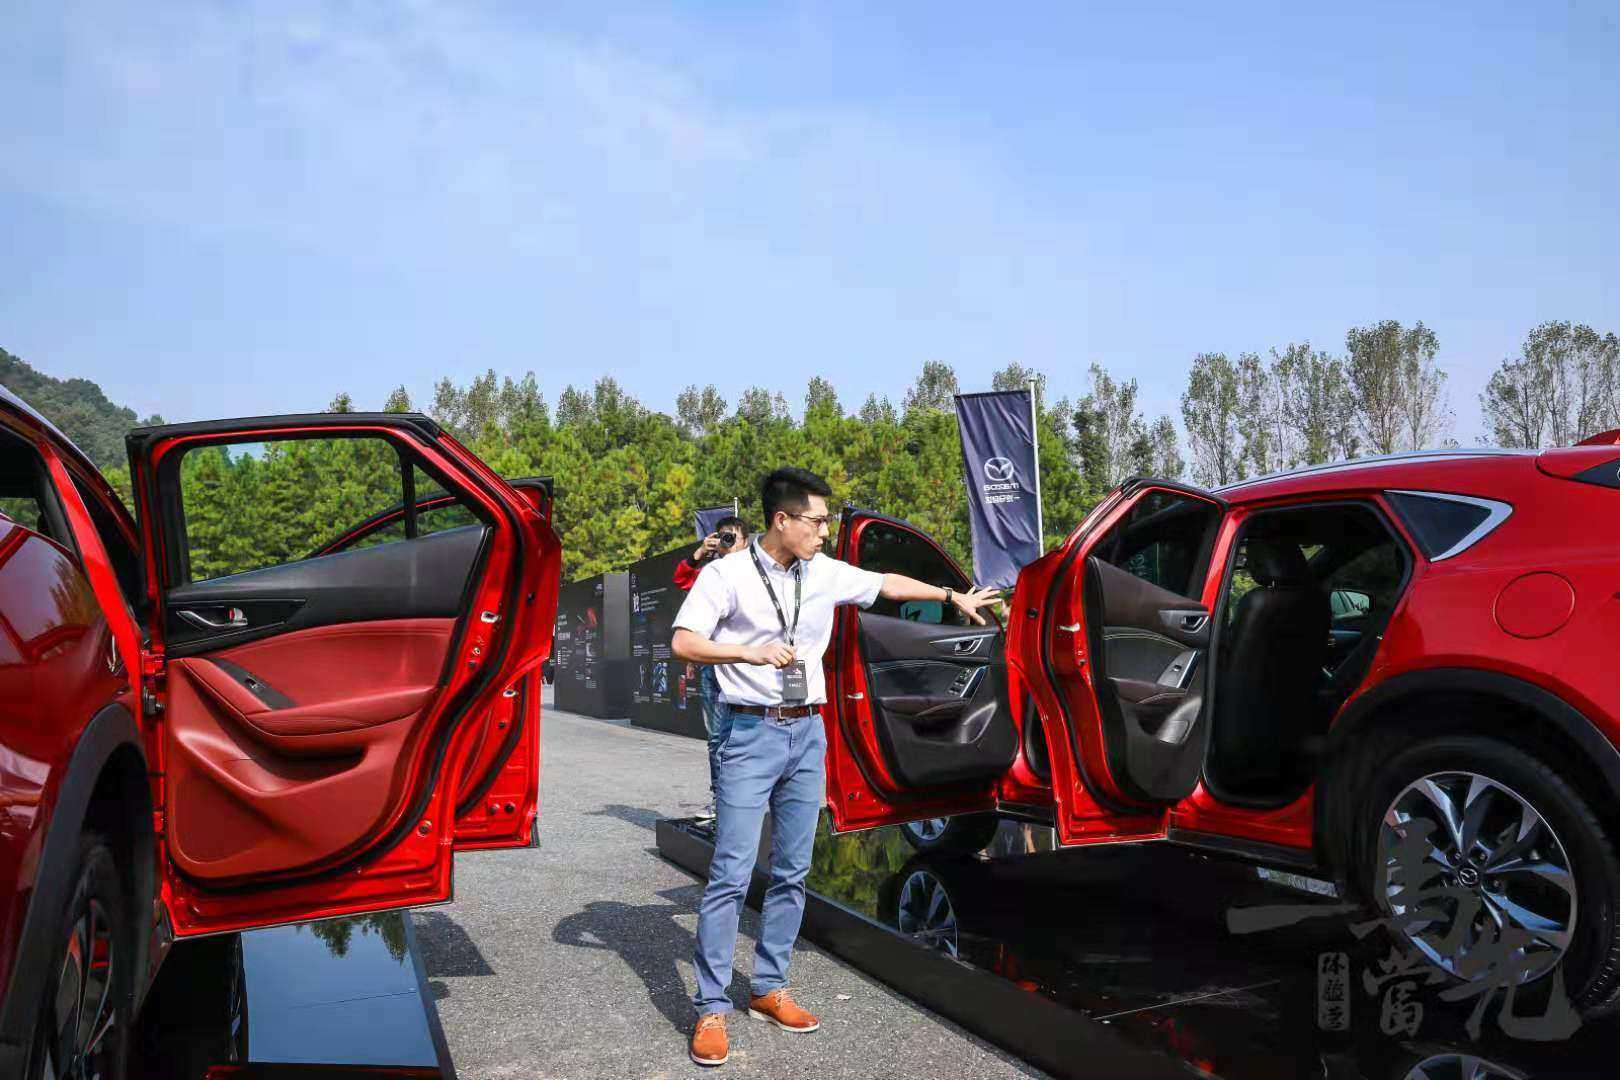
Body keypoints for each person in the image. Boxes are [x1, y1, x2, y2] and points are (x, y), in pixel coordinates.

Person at [671, 467, 998, 1067]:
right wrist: (749, 652)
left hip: (807, 732)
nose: (825, 531)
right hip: (749, 731)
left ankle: (769, 988)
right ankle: (711, 1007)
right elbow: (685, 641)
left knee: (793, 870)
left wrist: (952, 597)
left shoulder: (822, 572)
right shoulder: (726, 575)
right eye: (817, 521)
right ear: (782, 520)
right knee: (731, 874)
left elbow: (887, 584)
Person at [674, 515, 750, 818]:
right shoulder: (709, 573)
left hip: (748, 666)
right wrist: (699, 552)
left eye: (732, 537)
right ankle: (721, 801)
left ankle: (751, 800)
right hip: (713, 667)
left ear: (746, 541)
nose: (727, 542)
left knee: (753, 734)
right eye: (722, 537)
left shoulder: (758, 572)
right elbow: (681, 580)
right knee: (716, 737)